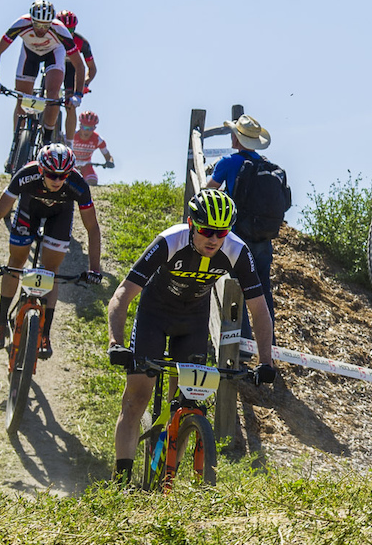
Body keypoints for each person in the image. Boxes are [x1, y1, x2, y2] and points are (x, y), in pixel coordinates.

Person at [105, 188, 276, 486]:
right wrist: (115, 344)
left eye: (221, 232)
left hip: (193, 322)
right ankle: (119, 481)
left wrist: (267, 361)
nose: (214, 239)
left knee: (187, 404)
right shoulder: (170, 241)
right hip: (154, 318)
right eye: (206, 230)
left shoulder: (236, 250)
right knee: (137, 398)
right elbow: (122, 294)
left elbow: (259, 309)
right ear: (190, 224)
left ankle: (164, 481)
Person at [0, 142, 104, 358]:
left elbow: (92, 227)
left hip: (59, 216)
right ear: (41, 170)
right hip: (29, 211)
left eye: (63, 175)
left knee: (51, 271)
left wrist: (94, 269)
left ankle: (45, 333)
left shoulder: (77, 184)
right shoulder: (26, 175)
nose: (57, 180)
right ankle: (0, 323)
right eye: (51, 174)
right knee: (15, 264)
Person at [208, 115, 291, 350]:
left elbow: (207, 192)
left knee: (237, 287)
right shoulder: (268, 165)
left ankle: (242, 345)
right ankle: (269, 345)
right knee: (263, 290)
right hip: (264, 238)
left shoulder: (228, 162)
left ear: (236, 139)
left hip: (237, 236)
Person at [0, 0, 83, 166]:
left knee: (52, 95)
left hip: (54, 53)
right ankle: (16, 143)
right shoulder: (21, 24)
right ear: (31, 20)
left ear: (51, 23)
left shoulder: (59, 30)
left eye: (45, 25)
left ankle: (47, 135)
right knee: (22, 99)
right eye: (37, 24)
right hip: (29, 54)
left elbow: (79, 65)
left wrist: (78, 94)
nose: (41, 29)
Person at [55, 10, 97, 142]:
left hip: (72, 70)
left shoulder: (82, 43)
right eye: (63, 28)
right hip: (54, 66)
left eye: (71, 29)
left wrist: (85, 83)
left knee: (70, 105)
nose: (68, 32)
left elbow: (92, 68)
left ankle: (69, 143)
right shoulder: (50, 37)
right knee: (49, 94)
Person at [71, 110, 115, 185]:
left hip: (87, 166)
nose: (86, 131)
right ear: (80, 126)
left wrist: (110, 162)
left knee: (92, 182)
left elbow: (108, 156)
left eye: (90, 128)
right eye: (84, 127)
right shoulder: (71, 136)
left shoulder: (98, 140)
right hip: (71, 165)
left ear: (94, 128)